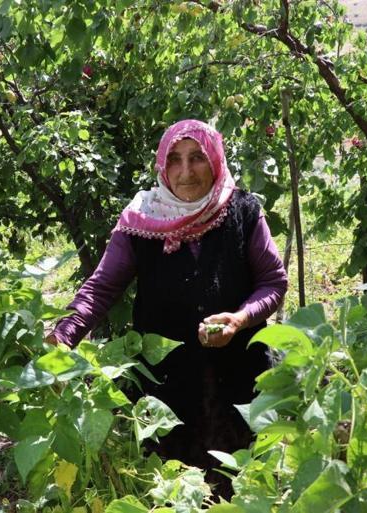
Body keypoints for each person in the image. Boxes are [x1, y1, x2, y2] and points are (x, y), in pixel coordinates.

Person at [46, 119, 288, 495]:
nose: (186, 171)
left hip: (239, 383)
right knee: (172, 490)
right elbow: (102, 287)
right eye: (175, 160)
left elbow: (272, 281)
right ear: (162, 165)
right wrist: (64, 334)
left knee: (240, 489)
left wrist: (239, 320)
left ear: (216, 162)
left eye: (197, 158)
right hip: (167, 391)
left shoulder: (242, 211)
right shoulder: (142, 219)